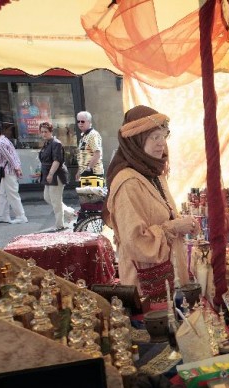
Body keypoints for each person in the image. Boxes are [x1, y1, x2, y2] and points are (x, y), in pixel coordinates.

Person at [105, 105, 197, 293]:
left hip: (169, 279)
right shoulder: (128, 183)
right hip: (146, 287)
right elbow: (136, 242)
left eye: (164, 136)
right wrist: (174, 227)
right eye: (155, 137)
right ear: (136, 141)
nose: (162, 143)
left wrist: (182, 223)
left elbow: (161, 216)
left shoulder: (154, 173)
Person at [0, 122, 28, 224]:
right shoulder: (3, 140)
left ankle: (21, 216)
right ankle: (3, 215)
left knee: (12, 193)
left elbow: (9, 157)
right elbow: (13, 155)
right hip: (7, 170)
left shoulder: (0, 143)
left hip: (8, 170)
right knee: (3, 193)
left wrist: (17, 168)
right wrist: (17, 167)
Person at [38, 122, 69, 231]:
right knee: (47, 197)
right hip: (48, 174)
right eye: (42, 132)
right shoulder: (47, 143)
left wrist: (51, 174)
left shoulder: (56, 143)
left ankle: (59, 224)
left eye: (46, 132)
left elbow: (57, 160)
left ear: (51, 132)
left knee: (56, 201)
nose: (43, 134)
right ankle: (69, 213)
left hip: (56, 174)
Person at [76, 111, 104, 180]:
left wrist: (88, 168)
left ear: (89, 122)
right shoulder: (84, 136)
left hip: (93, 173)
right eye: (78, 121)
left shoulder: (93, 135)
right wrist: (79, 171)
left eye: (82, 121)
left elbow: (97, 153)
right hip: (85, 173)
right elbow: (82, 156)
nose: (80, 123)